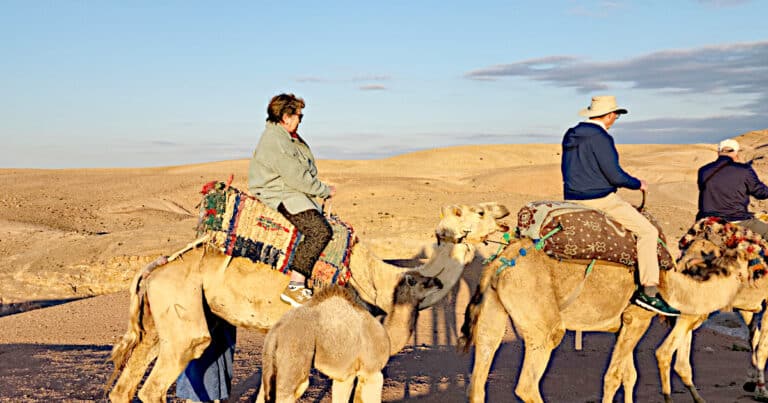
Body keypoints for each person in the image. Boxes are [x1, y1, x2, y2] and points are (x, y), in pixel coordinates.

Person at [561, 95, 680, 316]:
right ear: (607, 115)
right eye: (615, 114)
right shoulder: (601, 138)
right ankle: (650, 291)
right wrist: (638, 184)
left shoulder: (571, 134)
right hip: (599, 199)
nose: (616, 117)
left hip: (571, 198)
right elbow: (615, 175)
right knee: (648, 232)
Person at [248, 93, 335, 307]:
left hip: (290, 191)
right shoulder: (276, 140)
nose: (300, 119)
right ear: (286, 116)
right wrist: (324, 190)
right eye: (299, 116)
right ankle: (295, 285)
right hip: (280, 193)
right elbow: (296, 176)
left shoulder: (286, 137)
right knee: (319, 231)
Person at [696, 138, 768, 237]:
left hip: (707, 221)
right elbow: (760, 193)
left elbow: (704, 189)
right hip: (736, 219)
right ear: (736, 153)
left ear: (718, 153)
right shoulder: (744, 170)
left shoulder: (703, 171)